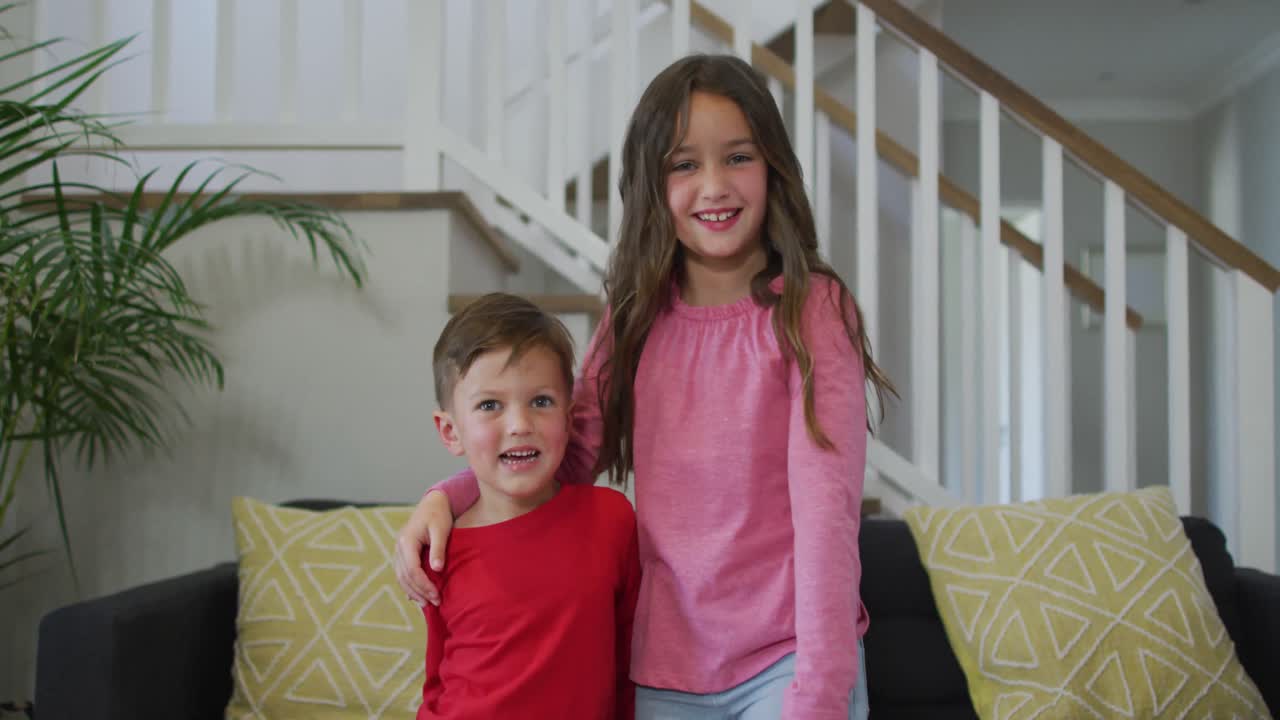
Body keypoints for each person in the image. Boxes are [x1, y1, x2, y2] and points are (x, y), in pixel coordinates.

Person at [400, 54, 895, 720]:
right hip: (667, 668)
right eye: (684, 165)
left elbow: (826, 517)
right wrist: (449, 495)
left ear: (773, 167)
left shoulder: (813, 312)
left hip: (790, 660)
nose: (714, 186)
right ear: (652, 184)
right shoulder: (634, 317)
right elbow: (564, 454)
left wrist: (823, 689)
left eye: (738, 157)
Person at [417, 292, 640, 720]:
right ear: (450, 432)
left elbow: (630, 666)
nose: (520, 425)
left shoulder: (611, 519)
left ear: (570, 418)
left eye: (541, 401)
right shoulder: (439, 546)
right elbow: (438, 680)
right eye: (489, 406)